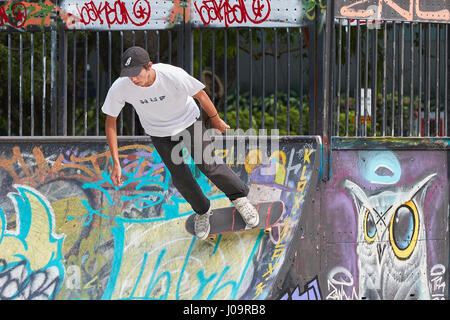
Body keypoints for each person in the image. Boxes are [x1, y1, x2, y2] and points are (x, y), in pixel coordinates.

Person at [102, 46, 259, 240]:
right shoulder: (121, 86)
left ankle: (239, 198)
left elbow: (200, 94)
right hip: (158, 132)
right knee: (180, 176)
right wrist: (116, 163)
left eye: (136, 74)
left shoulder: (171, 75)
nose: (133, 79)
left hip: (188, 121)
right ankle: (202, 211)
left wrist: (215, 119)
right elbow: (110, 122)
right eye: (128, 75)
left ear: (149, 66)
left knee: (208, 165)